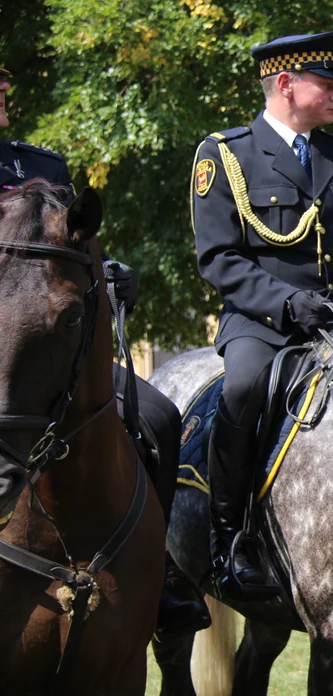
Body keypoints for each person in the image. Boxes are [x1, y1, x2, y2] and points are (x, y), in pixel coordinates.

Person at [191, 31, 333, 600]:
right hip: (264, 321)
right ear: (287, 85)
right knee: (242, 389)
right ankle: (230, 535)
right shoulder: (226, 155)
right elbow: (219, 258)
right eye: (328, 84)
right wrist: (285, 303)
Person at [0, 65, 211, 634]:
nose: (1, 93)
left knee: (159, 416)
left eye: (1, 84)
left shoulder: (41, 166)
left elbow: (70, 243)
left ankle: (160, 578)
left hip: (46, 350)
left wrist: (102, 270)